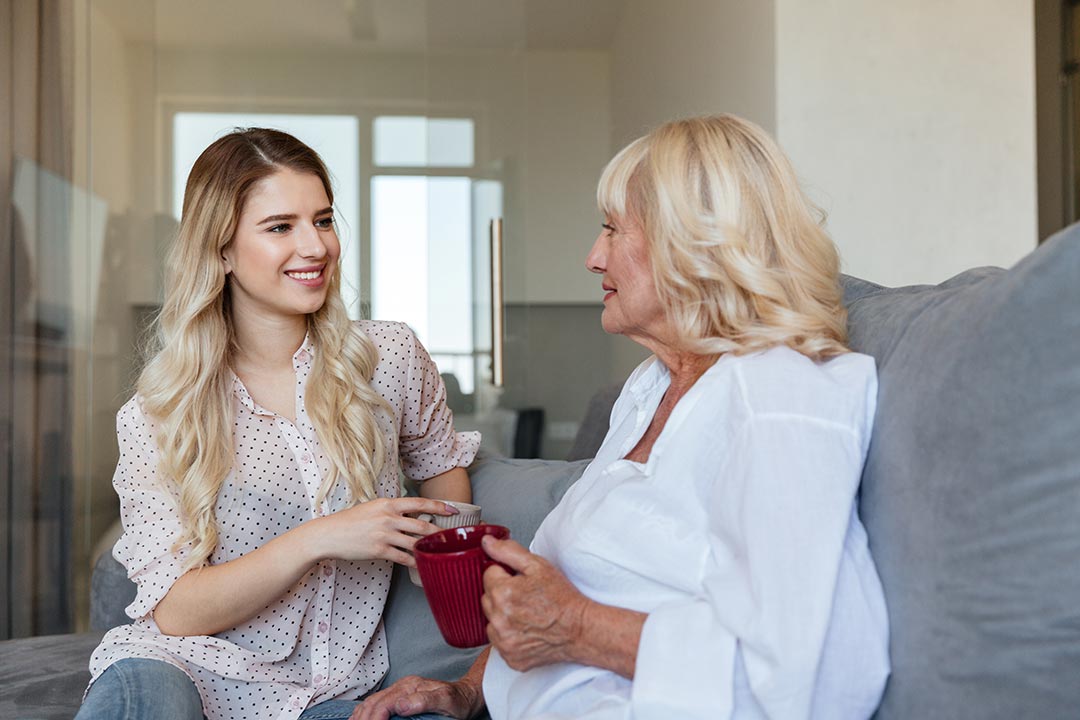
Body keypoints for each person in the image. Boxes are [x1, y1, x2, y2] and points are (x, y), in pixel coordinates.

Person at [357, 114, 890, 720]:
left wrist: (578, 626)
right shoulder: (650, 389)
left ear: (692, 245)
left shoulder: (780, 399)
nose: (592, 256)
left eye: (612, 229)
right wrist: (466, 691)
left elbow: (821, 679)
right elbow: (560, 597)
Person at [76, 128, 480, 720]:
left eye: (322, 220)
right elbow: (176, 611)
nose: (314, 246)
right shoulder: (160, 412)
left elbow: (443, 472)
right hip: (180, 668)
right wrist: (323, 537)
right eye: (280, 227)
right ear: (221, 250)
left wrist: (443, 564)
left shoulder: (389, 357)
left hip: (330, 694)